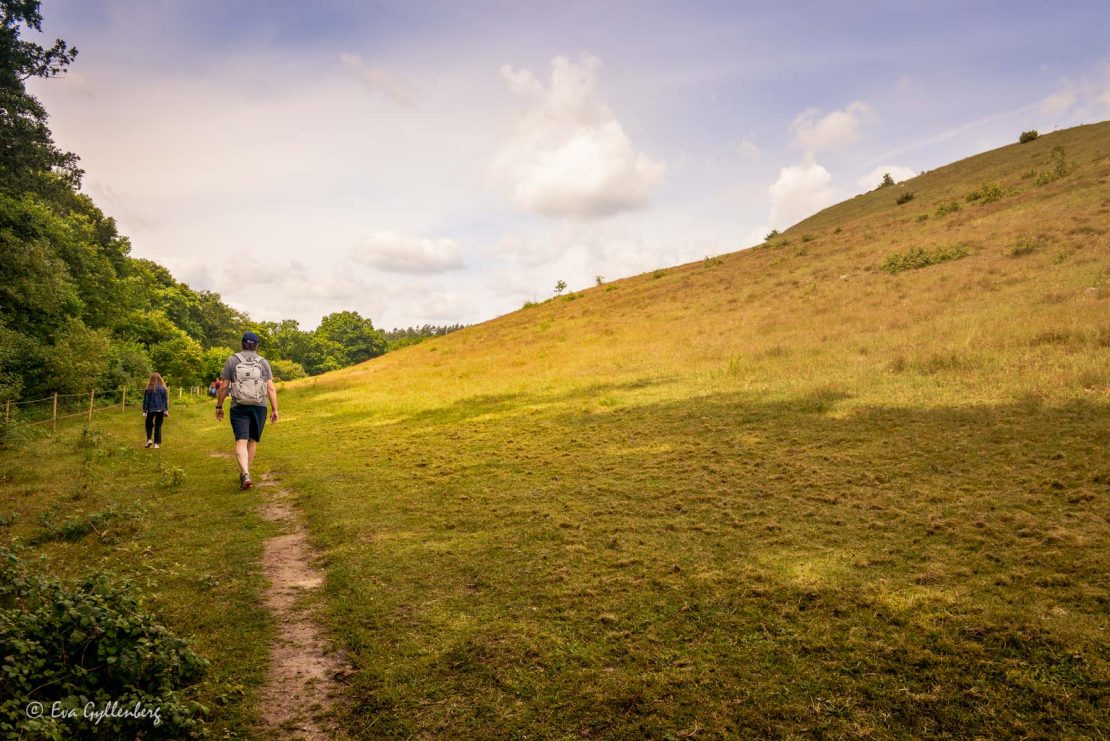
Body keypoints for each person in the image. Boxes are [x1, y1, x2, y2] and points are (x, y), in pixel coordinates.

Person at [215, 331, 279, 490]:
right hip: (259, 406)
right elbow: (270, 388)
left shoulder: (232, 360)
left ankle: (245, 474)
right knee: (252, 440)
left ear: (242, 343)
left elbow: (223, 386)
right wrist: (275, 409)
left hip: (239, 406)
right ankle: (246, 472)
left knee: (241, 440)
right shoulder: (263, 362)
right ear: (257, 345)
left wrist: (219, 406)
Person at [142, 372, 170, 449]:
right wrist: (166, 410)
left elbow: (146, 401)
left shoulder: (148, 389)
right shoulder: (163, 389)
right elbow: (165, 400)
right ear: (160, 379)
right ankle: (157, 444)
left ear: (151, 379)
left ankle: (149, 439)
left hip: (151, 409)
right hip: (161, 409)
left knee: (148, 424)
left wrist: (145, 411)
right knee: (158, 426)